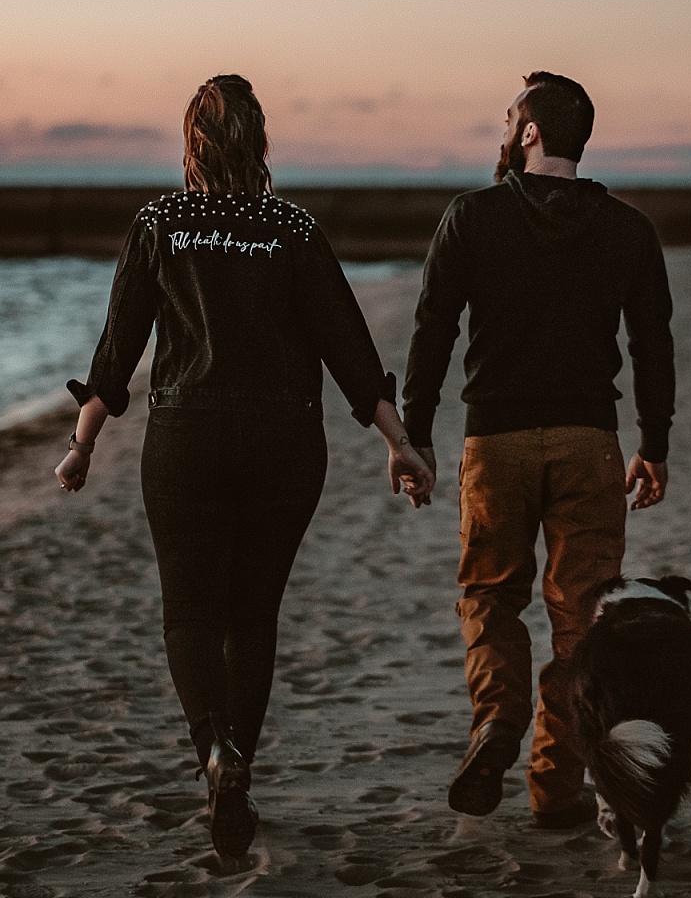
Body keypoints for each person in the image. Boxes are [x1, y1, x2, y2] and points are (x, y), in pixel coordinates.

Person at [55, 75, 435, 860]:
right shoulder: (292, 228)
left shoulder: (160, 222)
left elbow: (117, 349)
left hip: (187, 439)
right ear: (258, 141)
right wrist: (398, 442)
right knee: (252, 617)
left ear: (191, 144)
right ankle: (242, 768)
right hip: (283, 442)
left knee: (191, 615)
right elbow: (349, 348)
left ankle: (213, 753)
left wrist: (83, 442)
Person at [402, 71, 676, 829]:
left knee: (491, 598)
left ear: (528, 133)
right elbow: (652, 344)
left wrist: (415, 434)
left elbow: (433, 329)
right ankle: (556, 790)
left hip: (495, 443)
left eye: (509, 114)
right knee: (580, 618)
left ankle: (497, 722)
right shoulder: (627, 229)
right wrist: (654, 443)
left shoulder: (470, 218)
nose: (504, 124)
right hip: (590, 441)